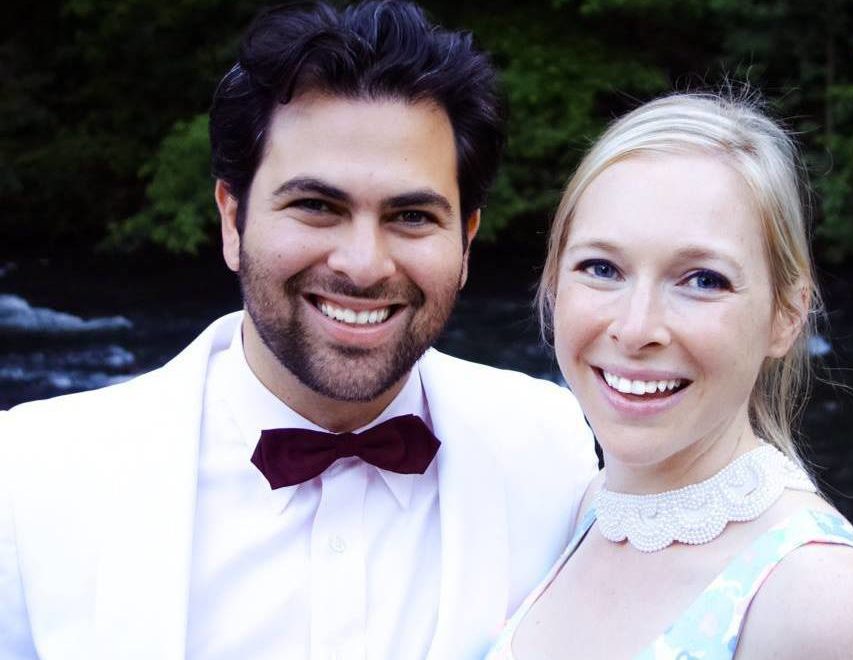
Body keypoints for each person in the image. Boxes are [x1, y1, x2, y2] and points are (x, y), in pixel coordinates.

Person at [0, 2, 598, 659]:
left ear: (466, 241)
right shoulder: (31, 475)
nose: (364, 264)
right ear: (233, 220)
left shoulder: (552, 448)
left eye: (412, 216)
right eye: (316, 206)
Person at [487, 92, 853, 659]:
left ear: (787, 316)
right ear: (555, 282)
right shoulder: (579, 511)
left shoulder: (823, 603)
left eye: (702, 280)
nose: (635, 329)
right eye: (602, 268)